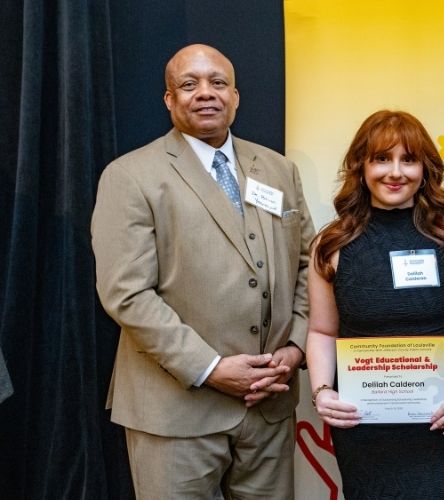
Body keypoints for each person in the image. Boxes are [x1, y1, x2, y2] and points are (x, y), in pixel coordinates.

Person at [91, 44, 315, 499]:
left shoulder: (278, 170)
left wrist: (295, 350)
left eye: (217, 83)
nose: (205, 93)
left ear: (236, 96)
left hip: (269, 405)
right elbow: (126, 293)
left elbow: (310, 264)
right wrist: (210, 367)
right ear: (169, 100)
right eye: (188, 85)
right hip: (177, 411)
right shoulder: (130, 175)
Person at [305, 110, 444, 499]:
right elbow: (322, 331)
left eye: (408, 159)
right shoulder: (331, 245)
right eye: (381, 159)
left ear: (425, 169)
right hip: (364, 427)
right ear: (361, 166)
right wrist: (322, 391)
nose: (395, 172)